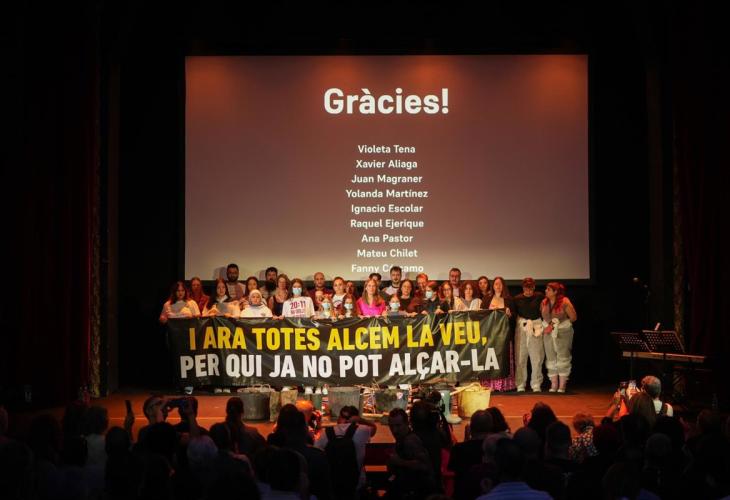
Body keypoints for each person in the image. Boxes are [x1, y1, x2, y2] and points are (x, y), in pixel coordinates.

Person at [314, 406, 377, 494]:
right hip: (356, 483)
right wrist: (360, 420)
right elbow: (374, 427)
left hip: (333, 482)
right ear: (356, 418)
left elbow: (316, 451)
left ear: (339, 417)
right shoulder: (363, 430)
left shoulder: (326, 432)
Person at [386, 408, 438, 498]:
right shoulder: (402, 440)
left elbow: (424, 465)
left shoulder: (411, 441)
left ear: (407, 423)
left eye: (398, 426)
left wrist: (399, 462)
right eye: (391, 426)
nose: (394, 430)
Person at [540, 281, 577, 393]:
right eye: (546, 289)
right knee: (550, 357)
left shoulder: (564, 301)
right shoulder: (544, 302)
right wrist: (548, 326)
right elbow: (544, 317)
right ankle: (554, 384)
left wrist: (557, 324)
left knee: (563, 356)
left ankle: (562, 385)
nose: (546, 291)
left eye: (548, 289)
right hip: (548, 332)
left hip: (563, 332)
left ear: (555, 291)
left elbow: (573, 317)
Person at [449, 409, 494, 500]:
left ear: (471, 428)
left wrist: (466, 440)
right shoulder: (495, 449)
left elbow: (452, 469)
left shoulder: (459, 449)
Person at [483, 277, 516, 392]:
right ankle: (491, 385)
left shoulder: (509, 300)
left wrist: (509, 314)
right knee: (491, 359)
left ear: (503, 286)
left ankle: (504, 385)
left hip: (504, 335)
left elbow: (514, 317)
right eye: (496, 284)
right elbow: (481, 315)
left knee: (503, 359)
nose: (498, 286)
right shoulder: (486, 299)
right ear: (492, 286)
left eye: (500, 284)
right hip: (490, 335)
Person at [513, 277, 546, 392]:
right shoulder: (517, 299)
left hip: (536, 327)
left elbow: (544, 310)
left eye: (531, 288)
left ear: (534, 287)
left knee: (537, 357)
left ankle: (536, 384)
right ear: (523, 288)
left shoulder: (539, 296)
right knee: (520, 357)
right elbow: (514, 314)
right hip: (522, 326)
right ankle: (520, 384)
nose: (528, 291)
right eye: (526, 288)